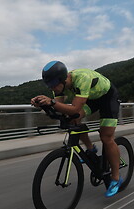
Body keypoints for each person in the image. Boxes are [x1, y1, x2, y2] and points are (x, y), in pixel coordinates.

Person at [31, 60, 122, 197]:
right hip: (90, 98)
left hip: (107, 98)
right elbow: (61, 109)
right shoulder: (59, 86)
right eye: (48, 85)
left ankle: (116, 178)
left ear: (62, 79)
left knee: (106, 137)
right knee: (73, 119)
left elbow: (74, 108)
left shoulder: (82, 79)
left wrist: (52, 102)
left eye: (53, 85)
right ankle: (91, 149)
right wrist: (44, 105)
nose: (51, 89)